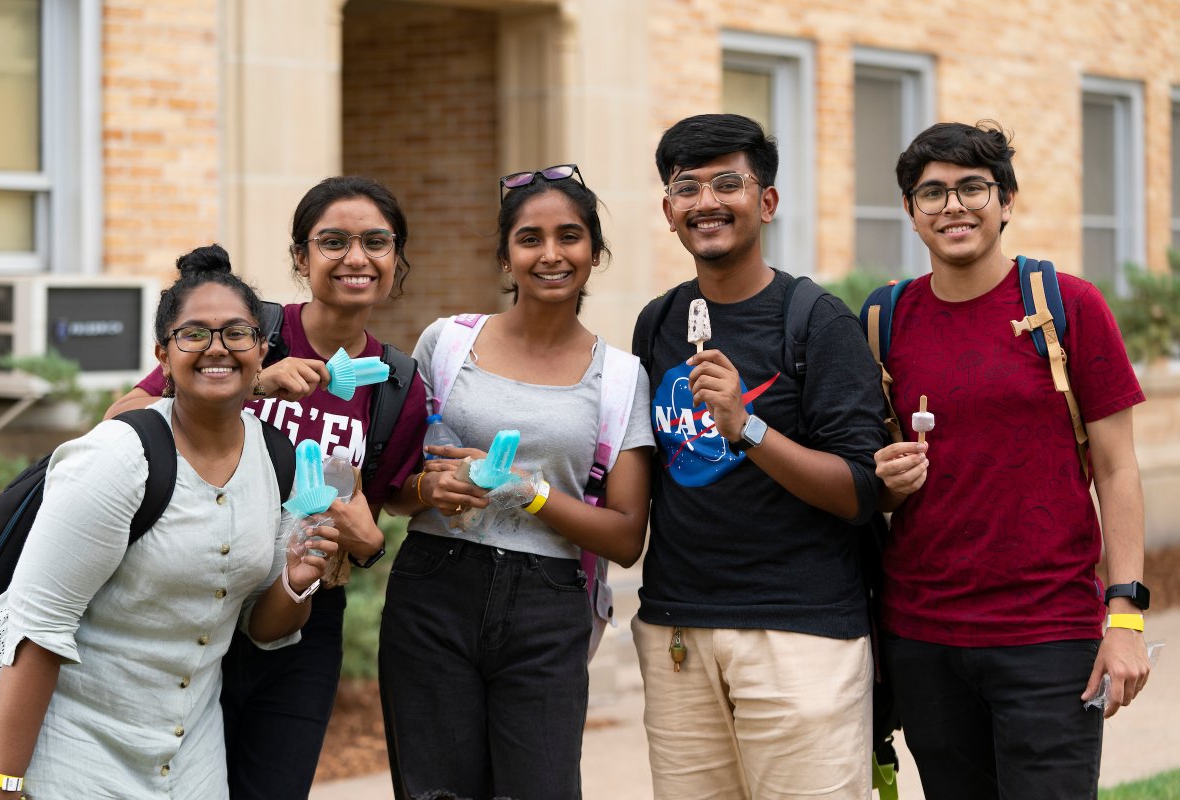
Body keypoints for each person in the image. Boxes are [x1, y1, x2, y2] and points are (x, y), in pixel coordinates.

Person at [104, 177, 428, 798]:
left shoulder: (398, 384)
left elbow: (371, 515)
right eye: (332, 241)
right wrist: (246, 383)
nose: (355, 257)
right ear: (301, 258)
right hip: (194, 593)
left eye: (375, 242)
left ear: (395, 260)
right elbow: (120, 422)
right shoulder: (251, 332)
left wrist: (372, 543)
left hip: (305, 614)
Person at [0, 246, 336, 800]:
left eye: (237, 333)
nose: (216, 348)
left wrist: (298, 578)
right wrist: (1, 785)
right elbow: (39, 630)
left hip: (192, 759)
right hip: (75, 750)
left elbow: (264, 630)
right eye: (193, 334)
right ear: (163, 357)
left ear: (261, 350)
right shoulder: (118, 459)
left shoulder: (276, 460)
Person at [871, 120, 1151, 800]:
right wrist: (884, 479)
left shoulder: (1068, 306)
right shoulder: (883, 318)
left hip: (1048, 634)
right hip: (923, 635)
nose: (953, 206)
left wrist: (1126, 618)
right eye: (931, 193)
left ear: (1007, 200)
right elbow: (864, 477)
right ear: (911, 213)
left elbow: (1117, 470)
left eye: (973, 187)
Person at [630, 113, 888, 799]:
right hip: (679, 631)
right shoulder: (658, 322)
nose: (707, 202)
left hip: (800, 635)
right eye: (687, 187)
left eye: (728, 183)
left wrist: (748, 428)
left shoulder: (816, 321)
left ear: (766, 201)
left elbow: (860, 490)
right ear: (668, 209)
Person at [379, 164, 654, 800]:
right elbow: (394, 489)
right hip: (434, 588)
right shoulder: (446, 344)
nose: (550, 254)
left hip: (546, 606)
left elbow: (625, 537)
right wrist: (426, 489)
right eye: (530, 238)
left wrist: (527, 492)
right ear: (506, 257)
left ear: (595, 252)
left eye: (570, 236)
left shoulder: (620, 377)